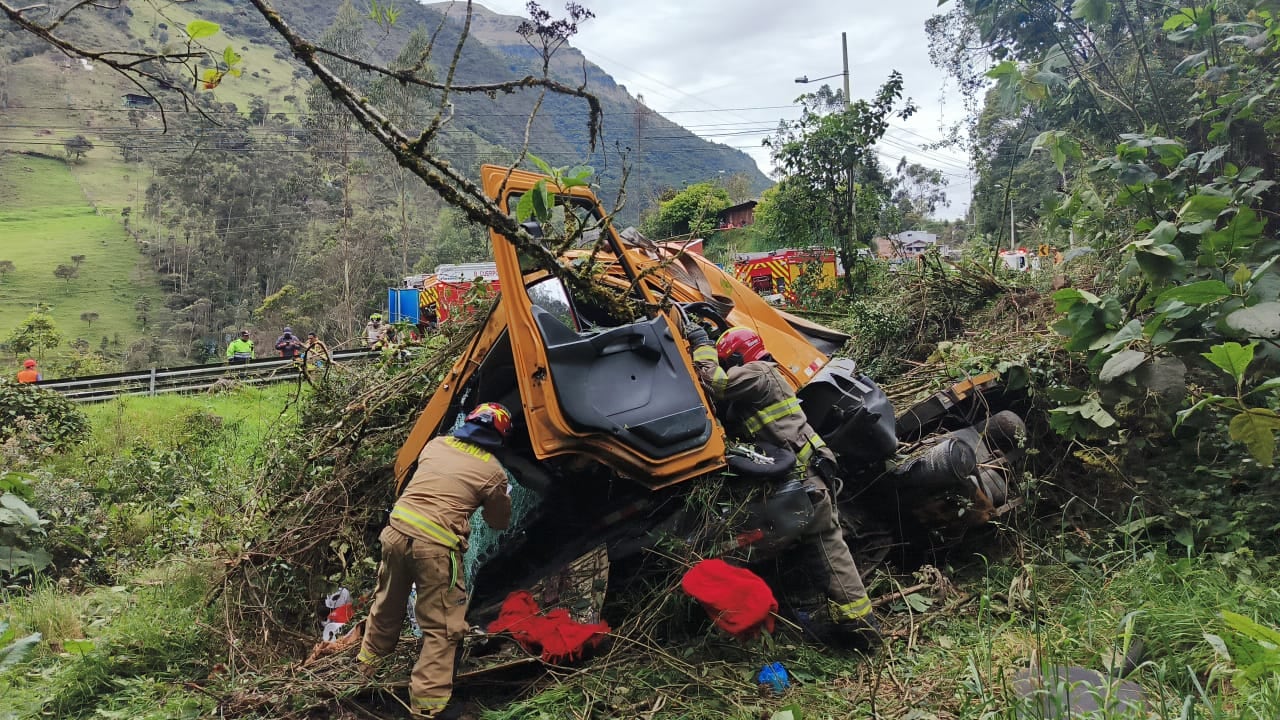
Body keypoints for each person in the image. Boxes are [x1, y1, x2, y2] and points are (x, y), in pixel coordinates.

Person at [686, 324, 878, 640]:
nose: (728, 367)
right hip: (808, 475)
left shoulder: (759, 373)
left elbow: (715, 382)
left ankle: (858, 625)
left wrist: (701, 344)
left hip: (805, 477)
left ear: (738, 357)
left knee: (825, 545)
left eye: (728, 361)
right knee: (825, 546)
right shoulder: (763, 381)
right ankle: (855, 622)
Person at [357, 402, 514, 718]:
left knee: (387, 603)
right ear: (499, 437)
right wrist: (502, 496)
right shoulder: (493, 472)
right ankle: (427, 708)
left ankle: (365, 671)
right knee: (443, 627)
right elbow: (498, 522)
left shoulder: (436, 445)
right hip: (436, 549)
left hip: (395, 534)